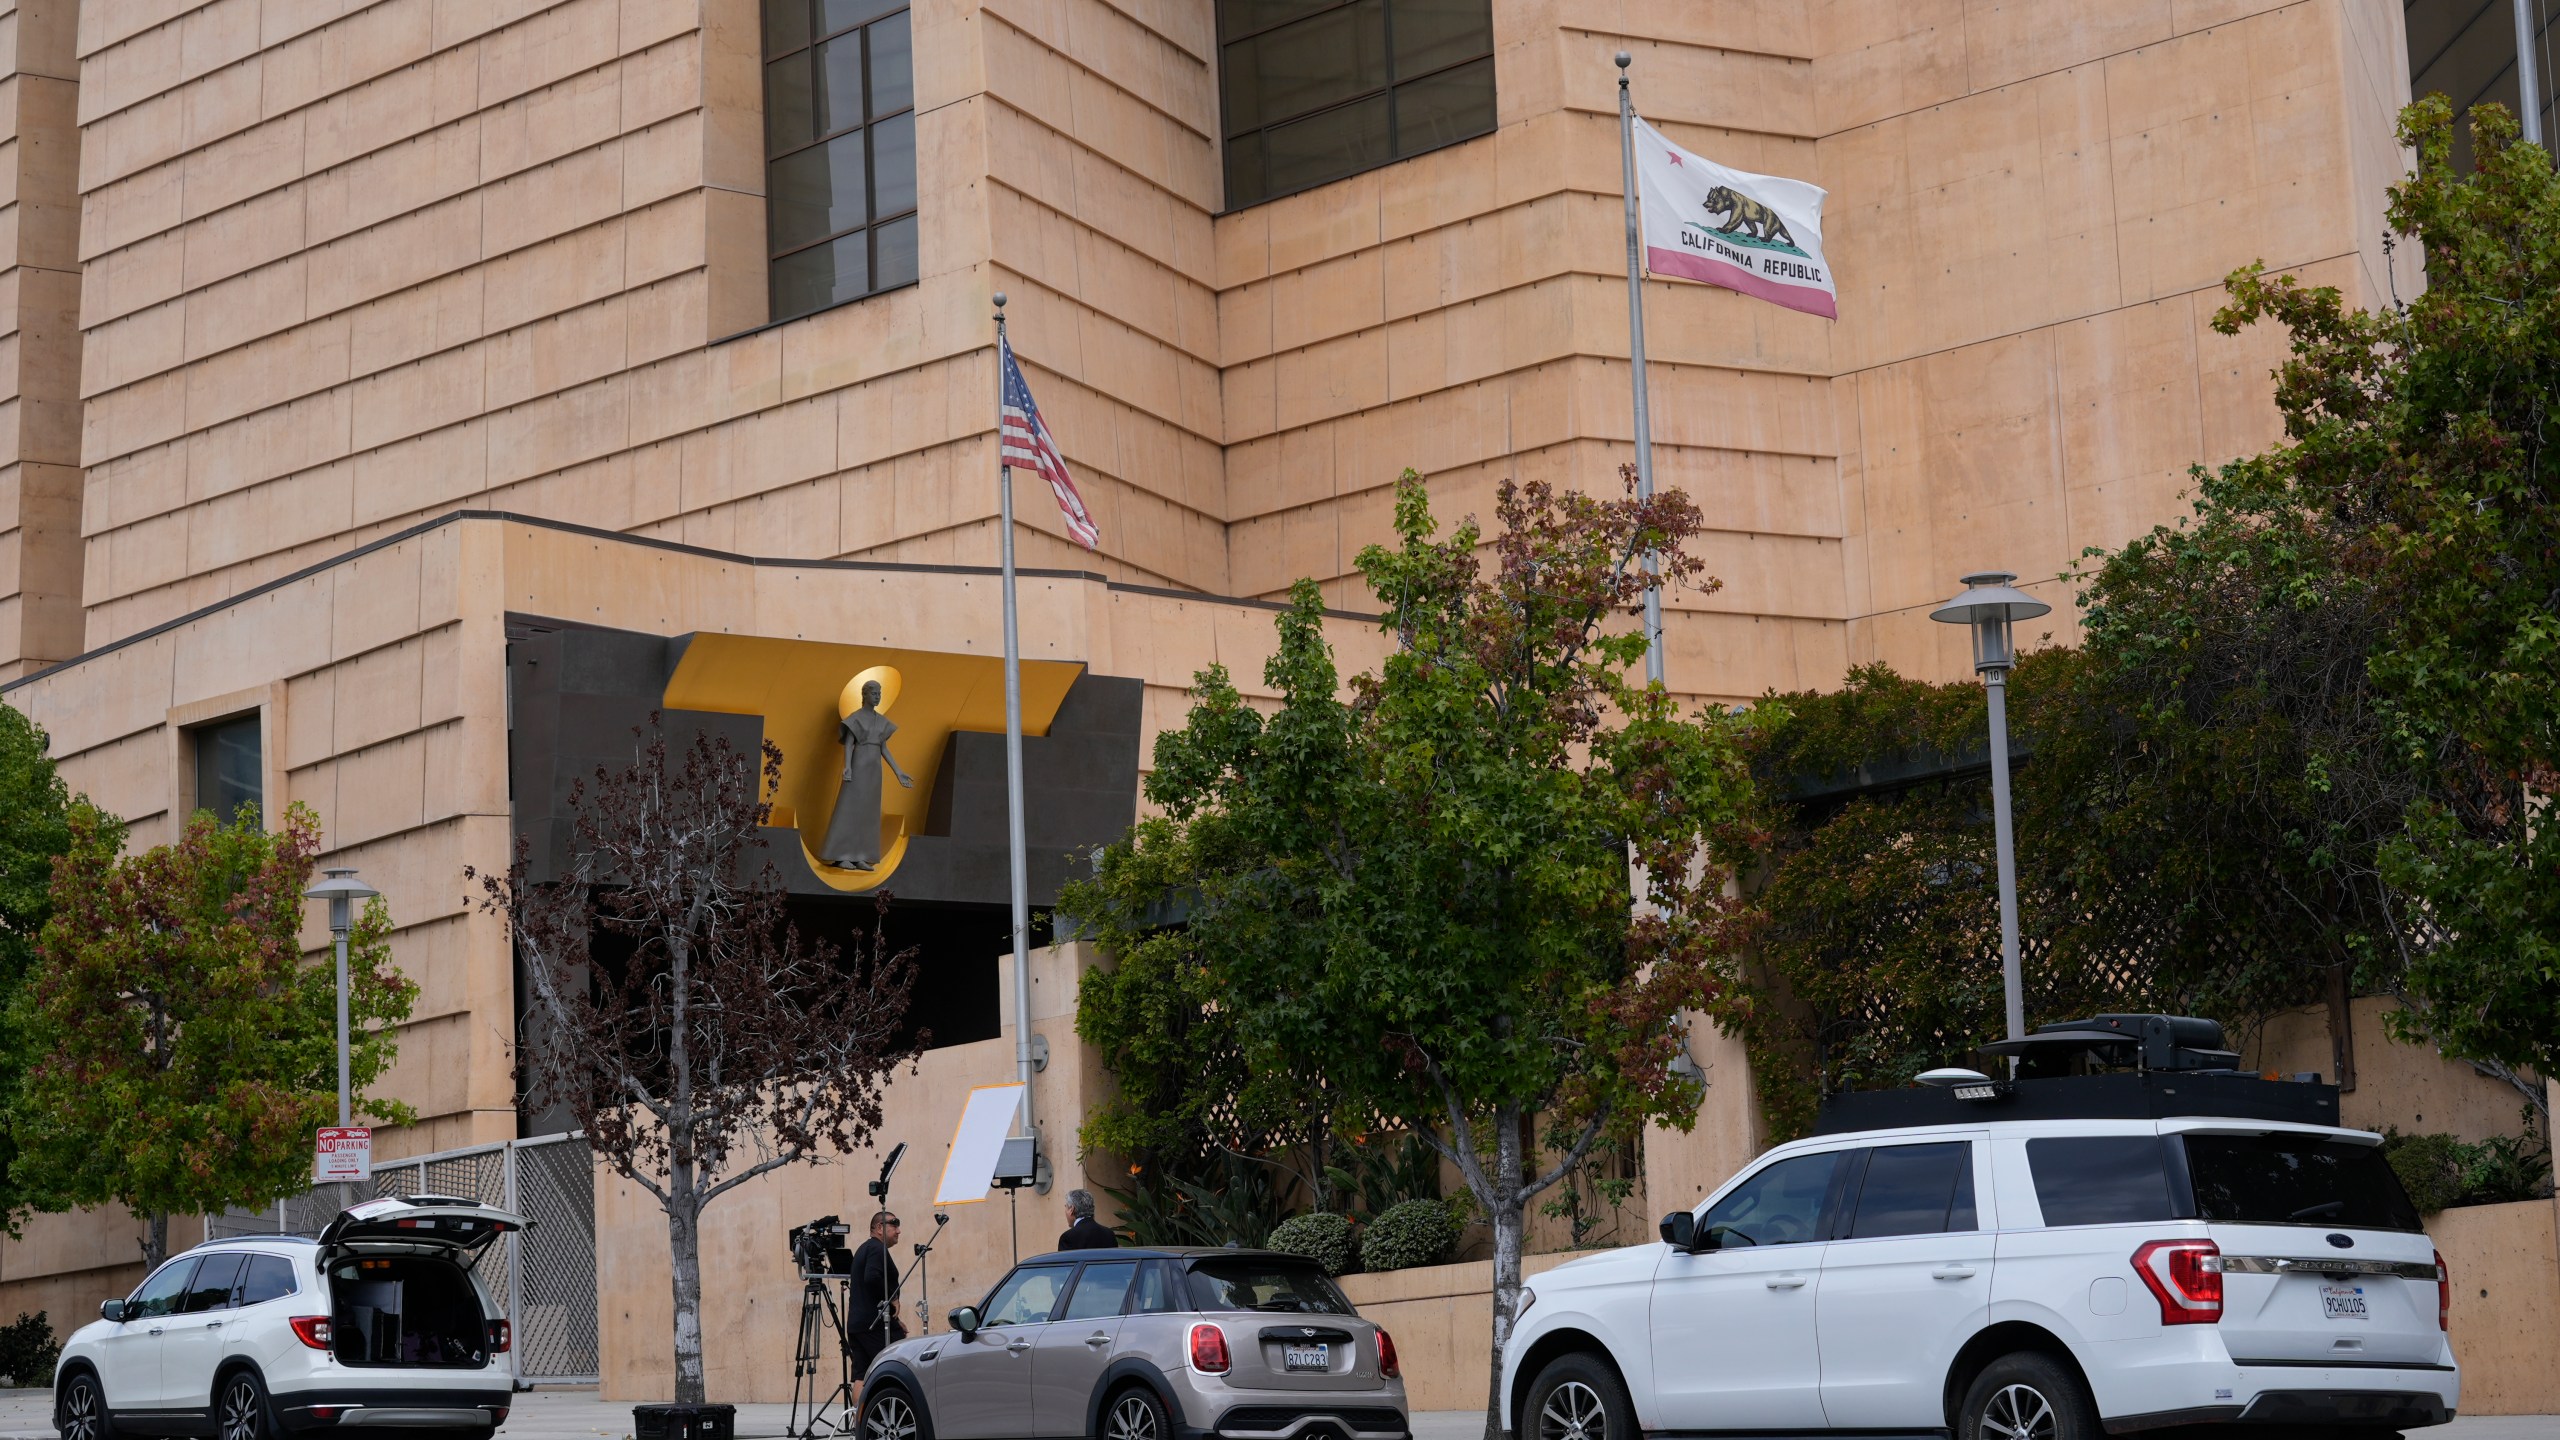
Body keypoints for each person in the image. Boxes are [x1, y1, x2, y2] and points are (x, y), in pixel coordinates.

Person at [846, 1211, 907, 1372]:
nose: (898, 1231)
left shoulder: (864, 1248)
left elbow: (869, 1293)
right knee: (896, 1367)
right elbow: (872, 1277)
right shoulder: (877, 1248)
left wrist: (896, 1320)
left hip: (858, 1325)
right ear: (880, 1227)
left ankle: (864, 1400)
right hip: (874, 1326)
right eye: (894, 1225)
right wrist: (893, 1298)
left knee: (861, 1376)